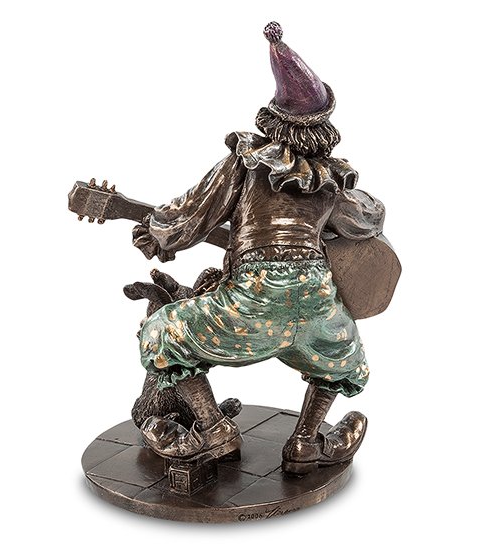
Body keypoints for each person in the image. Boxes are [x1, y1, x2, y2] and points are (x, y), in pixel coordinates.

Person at [132, 22, 385, 474]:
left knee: (163, 331)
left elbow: (191, 214)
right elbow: (368, 221)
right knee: (346, 355)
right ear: (324, 127)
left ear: (271, 120)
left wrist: (156, 233)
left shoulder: (246, 162)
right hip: (316, 309)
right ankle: (305, 442)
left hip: (250, 306)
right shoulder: (332, 181)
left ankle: (214, 431)